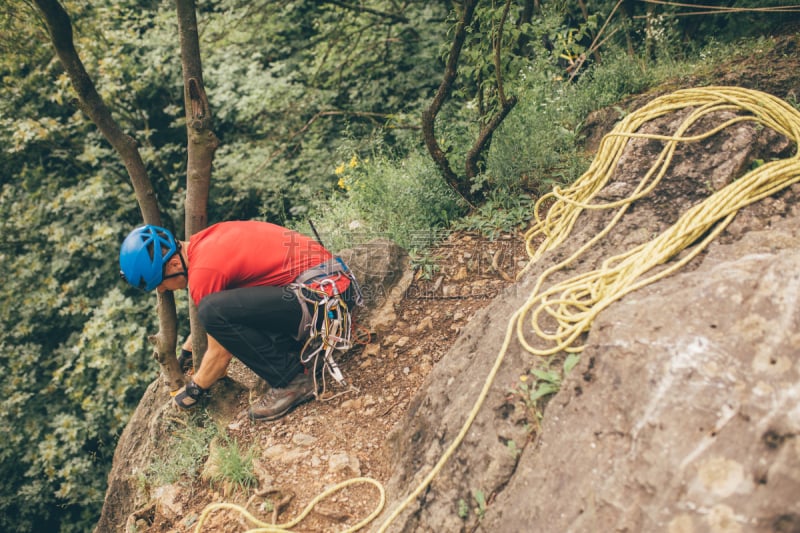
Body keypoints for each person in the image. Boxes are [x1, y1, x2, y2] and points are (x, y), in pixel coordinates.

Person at [119, 220, 359, 421]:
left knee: (212, 310)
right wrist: (187, 351)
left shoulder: (204, 273)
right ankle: (300, 359)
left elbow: (220, 352)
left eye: (160, 283)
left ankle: (292, 381)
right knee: (214, 310)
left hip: (323, 300)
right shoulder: (206, 241)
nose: (162, 290)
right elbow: (240, 306)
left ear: (173, 264)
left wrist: (193, 390)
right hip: (330, 289)